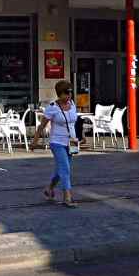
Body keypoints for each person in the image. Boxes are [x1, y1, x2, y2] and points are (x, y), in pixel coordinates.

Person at [32, 80, 80, 208]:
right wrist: (35, 141)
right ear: (59, 94)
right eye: (66, 93)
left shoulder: (72, 104)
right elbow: (42, 126)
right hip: (57, 142)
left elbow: (74, 122)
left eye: (70, 93)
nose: (69, 96)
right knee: (65, 168)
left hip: (71, 142)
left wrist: (82, 136)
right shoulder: (52, 108)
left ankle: (49, 188)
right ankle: (67, 197)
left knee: (61, 170)